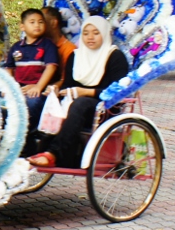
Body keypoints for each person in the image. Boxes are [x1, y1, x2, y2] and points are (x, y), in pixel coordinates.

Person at [27, 16, 129, 168]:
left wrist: (84, 92)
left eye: (96, 33)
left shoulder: (115, 56)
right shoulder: (76, 56)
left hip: (104, 108)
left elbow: (116, 92)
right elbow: (67, 86)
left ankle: (54, 153)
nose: (90, 37)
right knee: (44, 101)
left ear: (105, 34)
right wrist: (56, 90)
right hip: (75, 107)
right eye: (86, 33)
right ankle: (32, 148)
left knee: (80, 103)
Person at [4, 9, 58, 142]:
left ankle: (27, 136)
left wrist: (38, 87)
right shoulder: (16, 47)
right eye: (32, 22)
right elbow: (9, 68)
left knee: (32, 102)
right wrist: (11, 87)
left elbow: (51, 67)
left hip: (38, 88)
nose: (37, 25)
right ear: (22, 26)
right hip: (19, 87)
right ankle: (5, 133)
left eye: (40, 22)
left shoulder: (47, 45)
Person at [42, 6, 77, 89]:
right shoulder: (36, 44)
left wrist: (43, 88)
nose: (37, 25)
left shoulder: (69, 49)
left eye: (41, 21)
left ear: (53, 23)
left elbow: (65, 80)